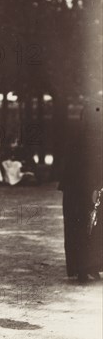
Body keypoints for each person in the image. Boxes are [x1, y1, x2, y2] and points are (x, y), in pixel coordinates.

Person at [58, 96, 103, 283]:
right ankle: (85, 268)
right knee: (87, 227)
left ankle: (88, 267)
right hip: (82, 189)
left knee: (84, 227)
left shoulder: (79, 133)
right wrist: (94, 187)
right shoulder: (90, 137)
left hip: (77, 189)